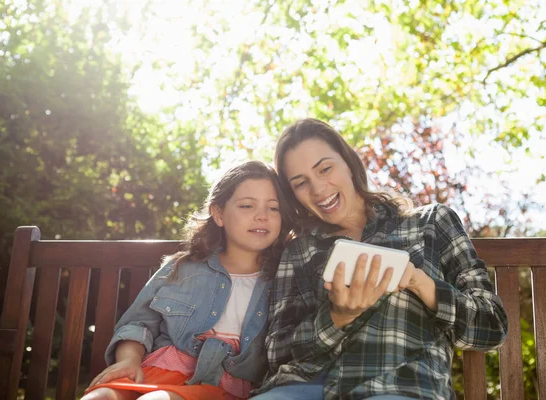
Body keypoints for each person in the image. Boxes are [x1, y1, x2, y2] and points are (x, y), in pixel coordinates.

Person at [251, 118, 508, 400]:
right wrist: (338, 317)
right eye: (301, 183)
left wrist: (421, 283)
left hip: (397, 386)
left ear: (348, 162)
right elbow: (278, 351)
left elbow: (492, 326)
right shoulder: (299, 250)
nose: (318, 189)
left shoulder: (431, 223)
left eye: (325, 169)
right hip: (307, 388)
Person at [82, 161, 290, 400]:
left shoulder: (284, 279)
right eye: (247, 205)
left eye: (273, 208)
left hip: (220, 388)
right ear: (219, 213)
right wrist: (129, 360)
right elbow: (139, 324)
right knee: (99, 398)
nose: (262, 216)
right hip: (155, 372)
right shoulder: (183, 267)